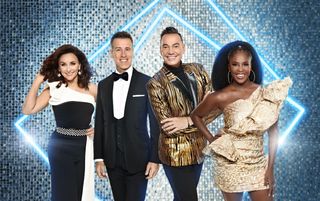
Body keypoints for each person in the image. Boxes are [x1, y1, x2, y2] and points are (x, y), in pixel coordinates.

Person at [191, 41, 292, 201]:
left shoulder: (266, 94)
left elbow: (273, 133)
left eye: (245, 64)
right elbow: (196, 116)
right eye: (235, 64)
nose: (240, 69)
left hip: (258, 164)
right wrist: (211, 139)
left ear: (251, 66)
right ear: (229, 67)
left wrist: (270, 168)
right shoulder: (219, 96)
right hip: (229, 163)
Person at [147, 27, 220, 201]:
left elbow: (217, 107)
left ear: (183, 48)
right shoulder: (155, 83)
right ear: (160, 49)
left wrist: (187, 120)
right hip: (175, 153)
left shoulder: (198, 70)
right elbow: (168, 126)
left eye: (175, 46)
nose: (171, 51)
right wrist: (200, 118)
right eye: (165, 46)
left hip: (198, 151)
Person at [22, 44, 97, 201]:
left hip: (85, 146)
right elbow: (28, 110)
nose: (68, 69)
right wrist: (37, 81)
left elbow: (110, 116)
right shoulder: (54, 88)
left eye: (72, 63)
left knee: (81, 194)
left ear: (80, 66)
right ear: (58, 67)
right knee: (64, 195)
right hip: (60, 148)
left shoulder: (92, 89)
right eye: (63, 64)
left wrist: (99, 129)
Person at [94, 31, 160, 201]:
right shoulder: (103, 85)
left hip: (139, 159)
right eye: (118, 50)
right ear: (111, 53)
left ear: (132, 51)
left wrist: (155, 159)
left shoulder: (148, 83)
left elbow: (155, 124)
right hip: (112, 160)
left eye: (127, 49)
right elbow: (100, 123)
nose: (123, 55)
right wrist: (99, 158)